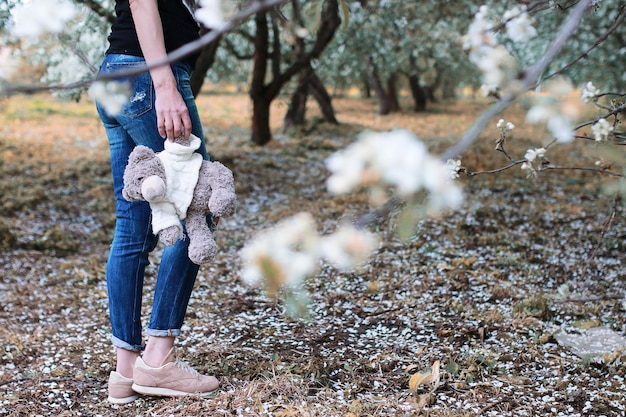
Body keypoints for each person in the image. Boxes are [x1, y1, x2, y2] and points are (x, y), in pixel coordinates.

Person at [95, 0, 218, 404]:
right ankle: (159, 359)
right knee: (195, 204)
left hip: (119, 75)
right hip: (149, 77)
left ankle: (126, 369)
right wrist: (165, 85)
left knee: (132, 224)